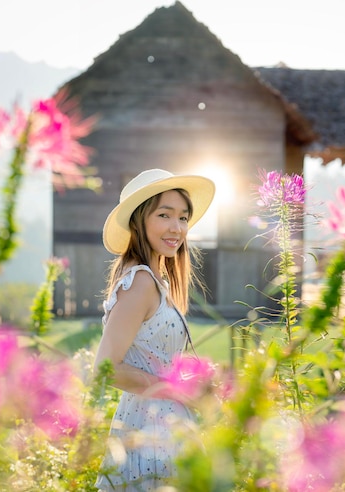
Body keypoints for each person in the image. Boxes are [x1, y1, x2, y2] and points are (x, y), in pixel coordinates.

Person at [94, 168, 215, 491]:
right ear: (139, 221)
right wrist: (174, 388)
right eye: (165, 215)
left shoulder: (155, 282)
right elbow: (105, 369)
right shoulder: (142, 282)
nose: (177, 228)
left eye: (183, 218)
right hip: (150, 433)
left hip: (162, 426)